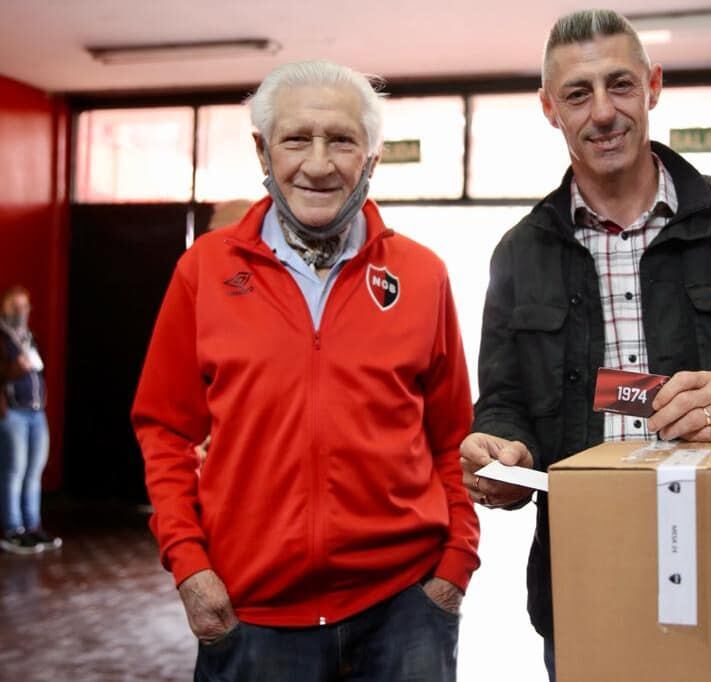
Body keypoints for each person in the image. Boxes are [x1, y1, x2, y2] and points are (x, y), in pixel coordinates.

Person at [459, 9, 711, 680]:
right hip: (583, 581)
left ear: (654, 86)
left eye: (621, 86)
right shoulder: (519, 254)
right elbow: (506, 402)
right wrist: (502, 450)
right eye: (578, 93)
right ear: (550, 108)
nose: (603, 112)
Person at [132, 60, 479, 681]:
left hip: (404, 609)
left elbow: (452, 436)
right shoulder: (204, 271)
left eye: (342, 140)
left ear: (371, 157)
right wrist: (188, 564)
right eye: (297, 139)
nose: (318, 164)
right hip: (252, 613)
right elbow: (164, 431)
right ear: (263, 150)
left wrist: (456, 565)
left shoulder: (422, 275)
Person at [0, 286, 61, 554]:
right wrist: (16, 368)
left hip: (36, 412)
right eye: (15, 305)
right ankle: (13, 529)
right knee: (14, 471)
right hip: (13, 412)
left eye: (25, 306)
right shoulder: (2, 338)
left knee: (34, 471)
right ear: (4, 307)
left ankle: (32, 526)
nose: (21, 311)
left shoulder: (29, 337)